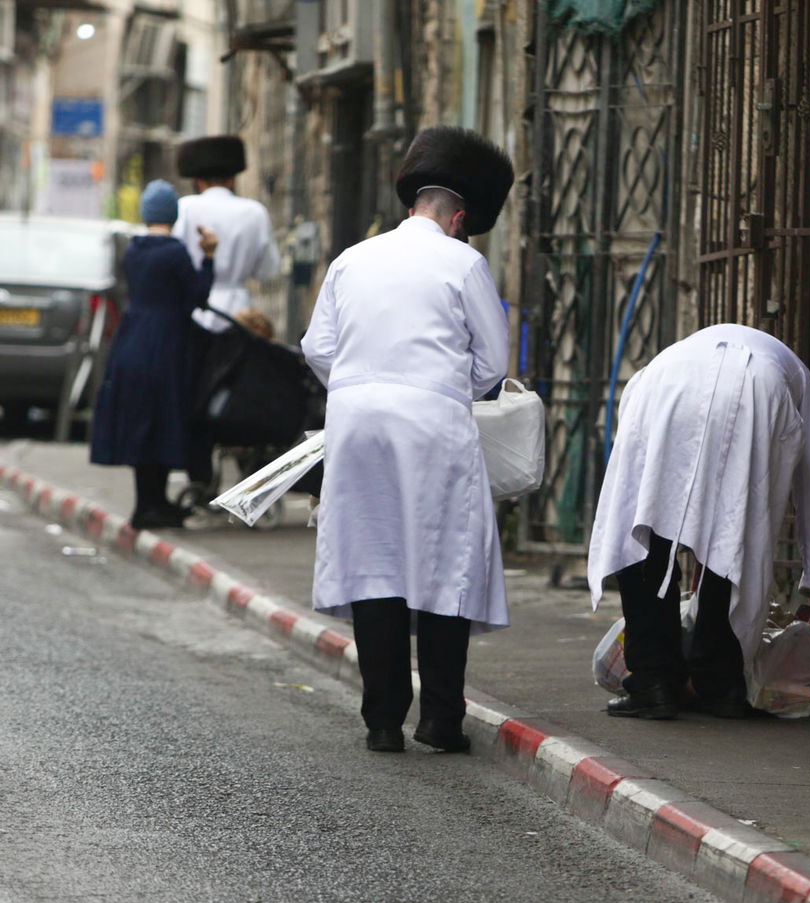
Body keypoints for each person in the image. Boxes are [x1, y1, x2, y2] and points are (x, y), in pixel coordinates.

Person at [301, 126, 514, 754]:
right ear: (460, 219)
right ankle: (441, 719)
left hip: (355, 418)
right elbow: (494, 362)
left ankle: (382, 721)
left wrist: (359, 384)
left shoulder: (351, 257)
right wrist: (444, 387)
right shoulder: (464, 262)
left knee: (374, 562)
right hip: (432, 422)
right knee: (443, 561)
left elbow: (317, 347)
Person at [587, 324, 810, 720]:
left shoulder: (671, 358)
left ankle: (653, 681)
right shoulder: (794, 374)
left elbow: (666, 492)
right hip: (756, 386)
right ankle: (719, 684)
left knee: (644, 526)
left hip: (664, 383)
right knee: (736, 532)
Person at [89, 180, 218, 529]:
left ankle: (147, 504)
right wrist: (208, 257)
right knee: (163, 418)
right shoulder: (174, 253)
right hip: (166, 344)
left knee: (141, 421)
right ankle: (154, 506)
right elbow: (198, 298)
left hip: (132, 342)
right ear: (173, 216)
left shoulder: (134, 250)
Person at [171, 135, 279, 330]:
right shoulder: (254, 212)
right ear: (232, 180)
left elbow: (173, 261)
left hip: (191, 310)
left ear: (197, 181)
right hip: (239, 314)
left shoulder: (184, 208)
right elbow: (267, 271)